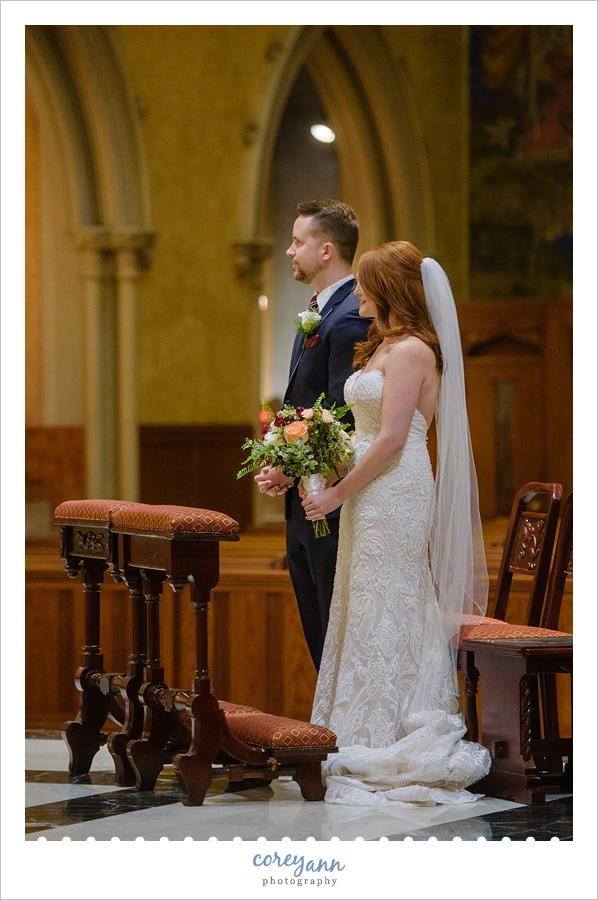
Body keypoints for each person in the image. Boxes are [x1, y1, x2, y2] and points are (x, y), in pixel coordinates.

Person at [302, 240, 492, 806]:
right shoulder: (383, 346)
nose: (356, 292)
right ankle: (359, 725)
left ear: (387, 290)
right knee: (363, 601)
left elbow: (389, 441)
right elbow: (363, 436)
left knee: (394, 599)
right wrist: (314, 457)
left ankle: (391, 730)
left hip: (397, 488)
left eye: (364, 284)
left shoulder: (411, 350)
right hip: (369, 487)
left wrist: (336, 493)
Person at [255, 200, 371, 671]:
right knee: (315, 620)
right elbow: (303, 404)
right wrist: (277, 459)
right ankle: (330, 726)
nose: (288, 251)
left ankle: (343, 732)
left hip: (329, 499)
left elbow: (344, 415)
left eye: (298, 242)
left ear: (326, 251)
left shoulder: (349, 317)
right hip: (303, 497)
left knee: (333, 622)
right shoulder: (319, 311)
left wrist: (294, 466)